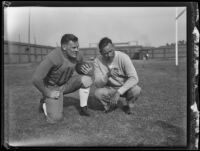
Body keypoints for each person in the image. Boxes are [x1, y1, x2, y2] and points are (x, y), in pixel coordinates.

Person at [32, 34, 93, 123]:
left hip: (66, 83)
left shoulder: (77, 55)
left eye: (77, 47)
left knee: (87, 80)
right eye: (73, 47)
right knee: (55, 119)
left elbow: (82, 67)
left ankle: (84, 107)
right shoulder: (53, 57)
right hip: (52, 87)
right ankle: (44, 103)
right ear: (64, 47)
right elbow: (36, 79)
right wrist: (48, 93)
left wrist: (88, 72)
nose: (77, 50)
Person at [93, 37, 141, 114]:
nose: (109, 55)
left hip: (125, 87)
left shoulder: (123, 57)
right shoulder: (97, 61)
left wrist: (119, 92)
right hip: (110, 88)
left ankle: (128, 106)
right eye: (105, 53)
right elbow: (97, 84)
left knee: (136, 90)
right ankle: (110, 106)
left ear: (113, 47)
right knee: (97, 93)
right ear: (101, 52)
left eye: (111, 51)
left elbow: (134, 78)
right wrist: (107, 75)